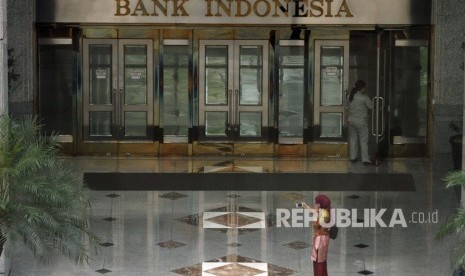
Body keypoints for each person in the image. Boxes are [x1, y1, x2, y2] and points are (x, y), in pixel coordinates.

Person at [346, 80, 374, 165]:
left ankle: (353, 158)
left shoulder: (349, 96)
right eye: (364, 87)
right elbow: (371, 106)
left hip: (351, 121)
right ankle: (365, 159)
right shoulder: (364, 97)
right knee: (363, 140)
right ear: (361, 88)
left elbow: (347, 106)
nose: (365, 88)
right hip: (361, 122)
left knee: (353, 139)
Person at [302, 195, 332, 276]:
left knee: (318, 260)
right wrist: (305, 206)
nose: (316, 205)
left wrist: (315, 215)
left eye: (317, 203)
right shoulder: (327, 210)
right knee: (322, 260)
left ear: (321, 204)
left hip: (320, 239)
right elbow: (314, 211)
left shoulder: (323, 214)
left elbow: (316, 225)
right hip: (324, 238)